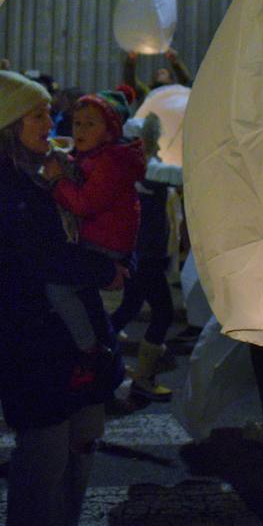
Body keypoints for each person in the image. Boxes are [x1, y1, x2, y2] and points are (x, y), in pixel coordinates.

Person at [0, 69, 124, 526]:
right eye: (38, 113)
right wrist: (103, 270)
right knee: (43, 463)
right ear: (12, 124)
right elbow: (39, 257)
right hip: (32, 344)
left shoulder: (48, 172)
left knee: (81, 448)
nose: (50, 121)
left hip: (79, 339)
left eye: (48, 111)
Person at [42, 94, 144, 388]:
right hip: (102, 243)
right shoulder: (97, 157)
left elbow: (86, 204)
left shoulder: (110, 162)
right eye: (77, 123)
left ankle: (89, 349)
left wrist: (57, 180)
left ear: (110, 131)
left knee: (58, 288)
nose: (81, 130)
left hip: (104, 246)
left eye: (90, 124)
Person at [108, 113, 181, 400]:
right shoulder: (146, 169)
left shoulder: (140, 168)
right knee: (162, 313)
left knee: (129, 307)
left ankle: (100, 359)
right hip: (146, 255)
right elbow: (175, 176)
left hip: (140, 253)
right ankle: (143, 378)